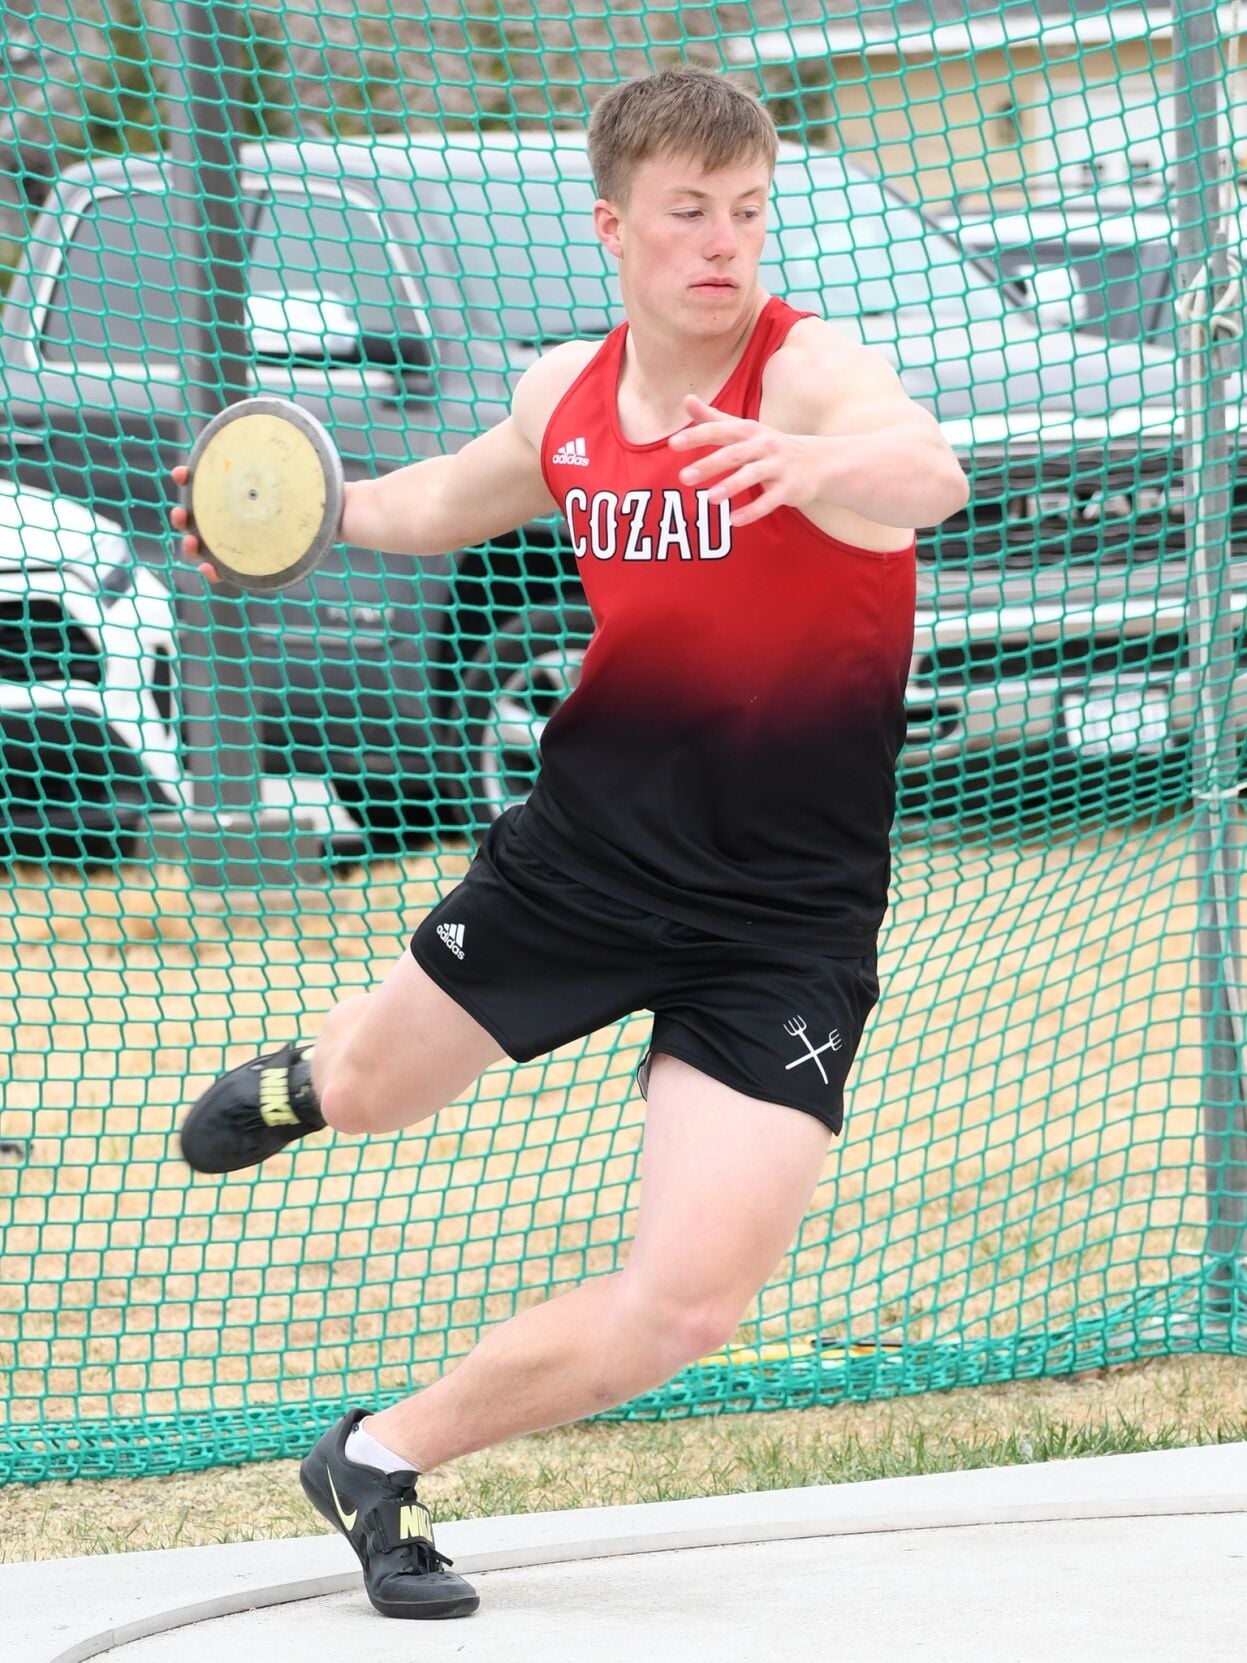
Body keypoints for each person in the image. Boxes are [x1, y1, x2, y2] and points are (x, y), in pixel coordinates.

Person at [172, 64, 969, 1621]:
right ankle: (302, 1079)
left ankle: (378, 1460)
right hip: (583, 865)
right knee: (375, 1096)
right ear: (615, 225)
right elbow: (429, 504)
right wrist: (294, 512)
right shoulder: (566, 396)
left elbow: (926, 471)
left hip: (785, 920)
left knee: (688, 1305)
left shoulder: (809, 381)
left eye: (748, 212)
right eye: (688, 214)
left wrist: (816, 471)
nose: (722, 245)